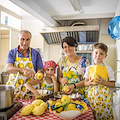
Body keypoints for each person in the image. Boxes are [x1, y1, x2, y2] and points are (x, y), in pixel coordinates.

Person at [5, 30, 43, 99]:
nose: (25, 43)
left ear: (30, 40)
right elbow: (8, 69)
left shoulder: (36, 53)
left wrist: (39, 74)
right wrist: (23, 70)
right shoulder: (12, 53)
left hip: (31, 92)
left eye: (27, 40)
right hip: (14, 92)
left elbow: (40, 71)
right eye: (22, 39)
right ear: (18, 38)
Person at [84, 42, 115, 119]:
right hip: (91, 98)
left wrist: (103, 82)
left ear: (105, 56)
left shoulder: (108, 68)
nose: (98, 55)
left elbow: (113, 84)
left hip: (104, 99)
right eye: (96, 53)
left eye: (101, 54)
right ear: (92, 54)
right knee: (92, 116)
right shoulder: (89, 68)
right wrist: (90, 82)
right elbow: (85, 83)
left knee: (104, 116)